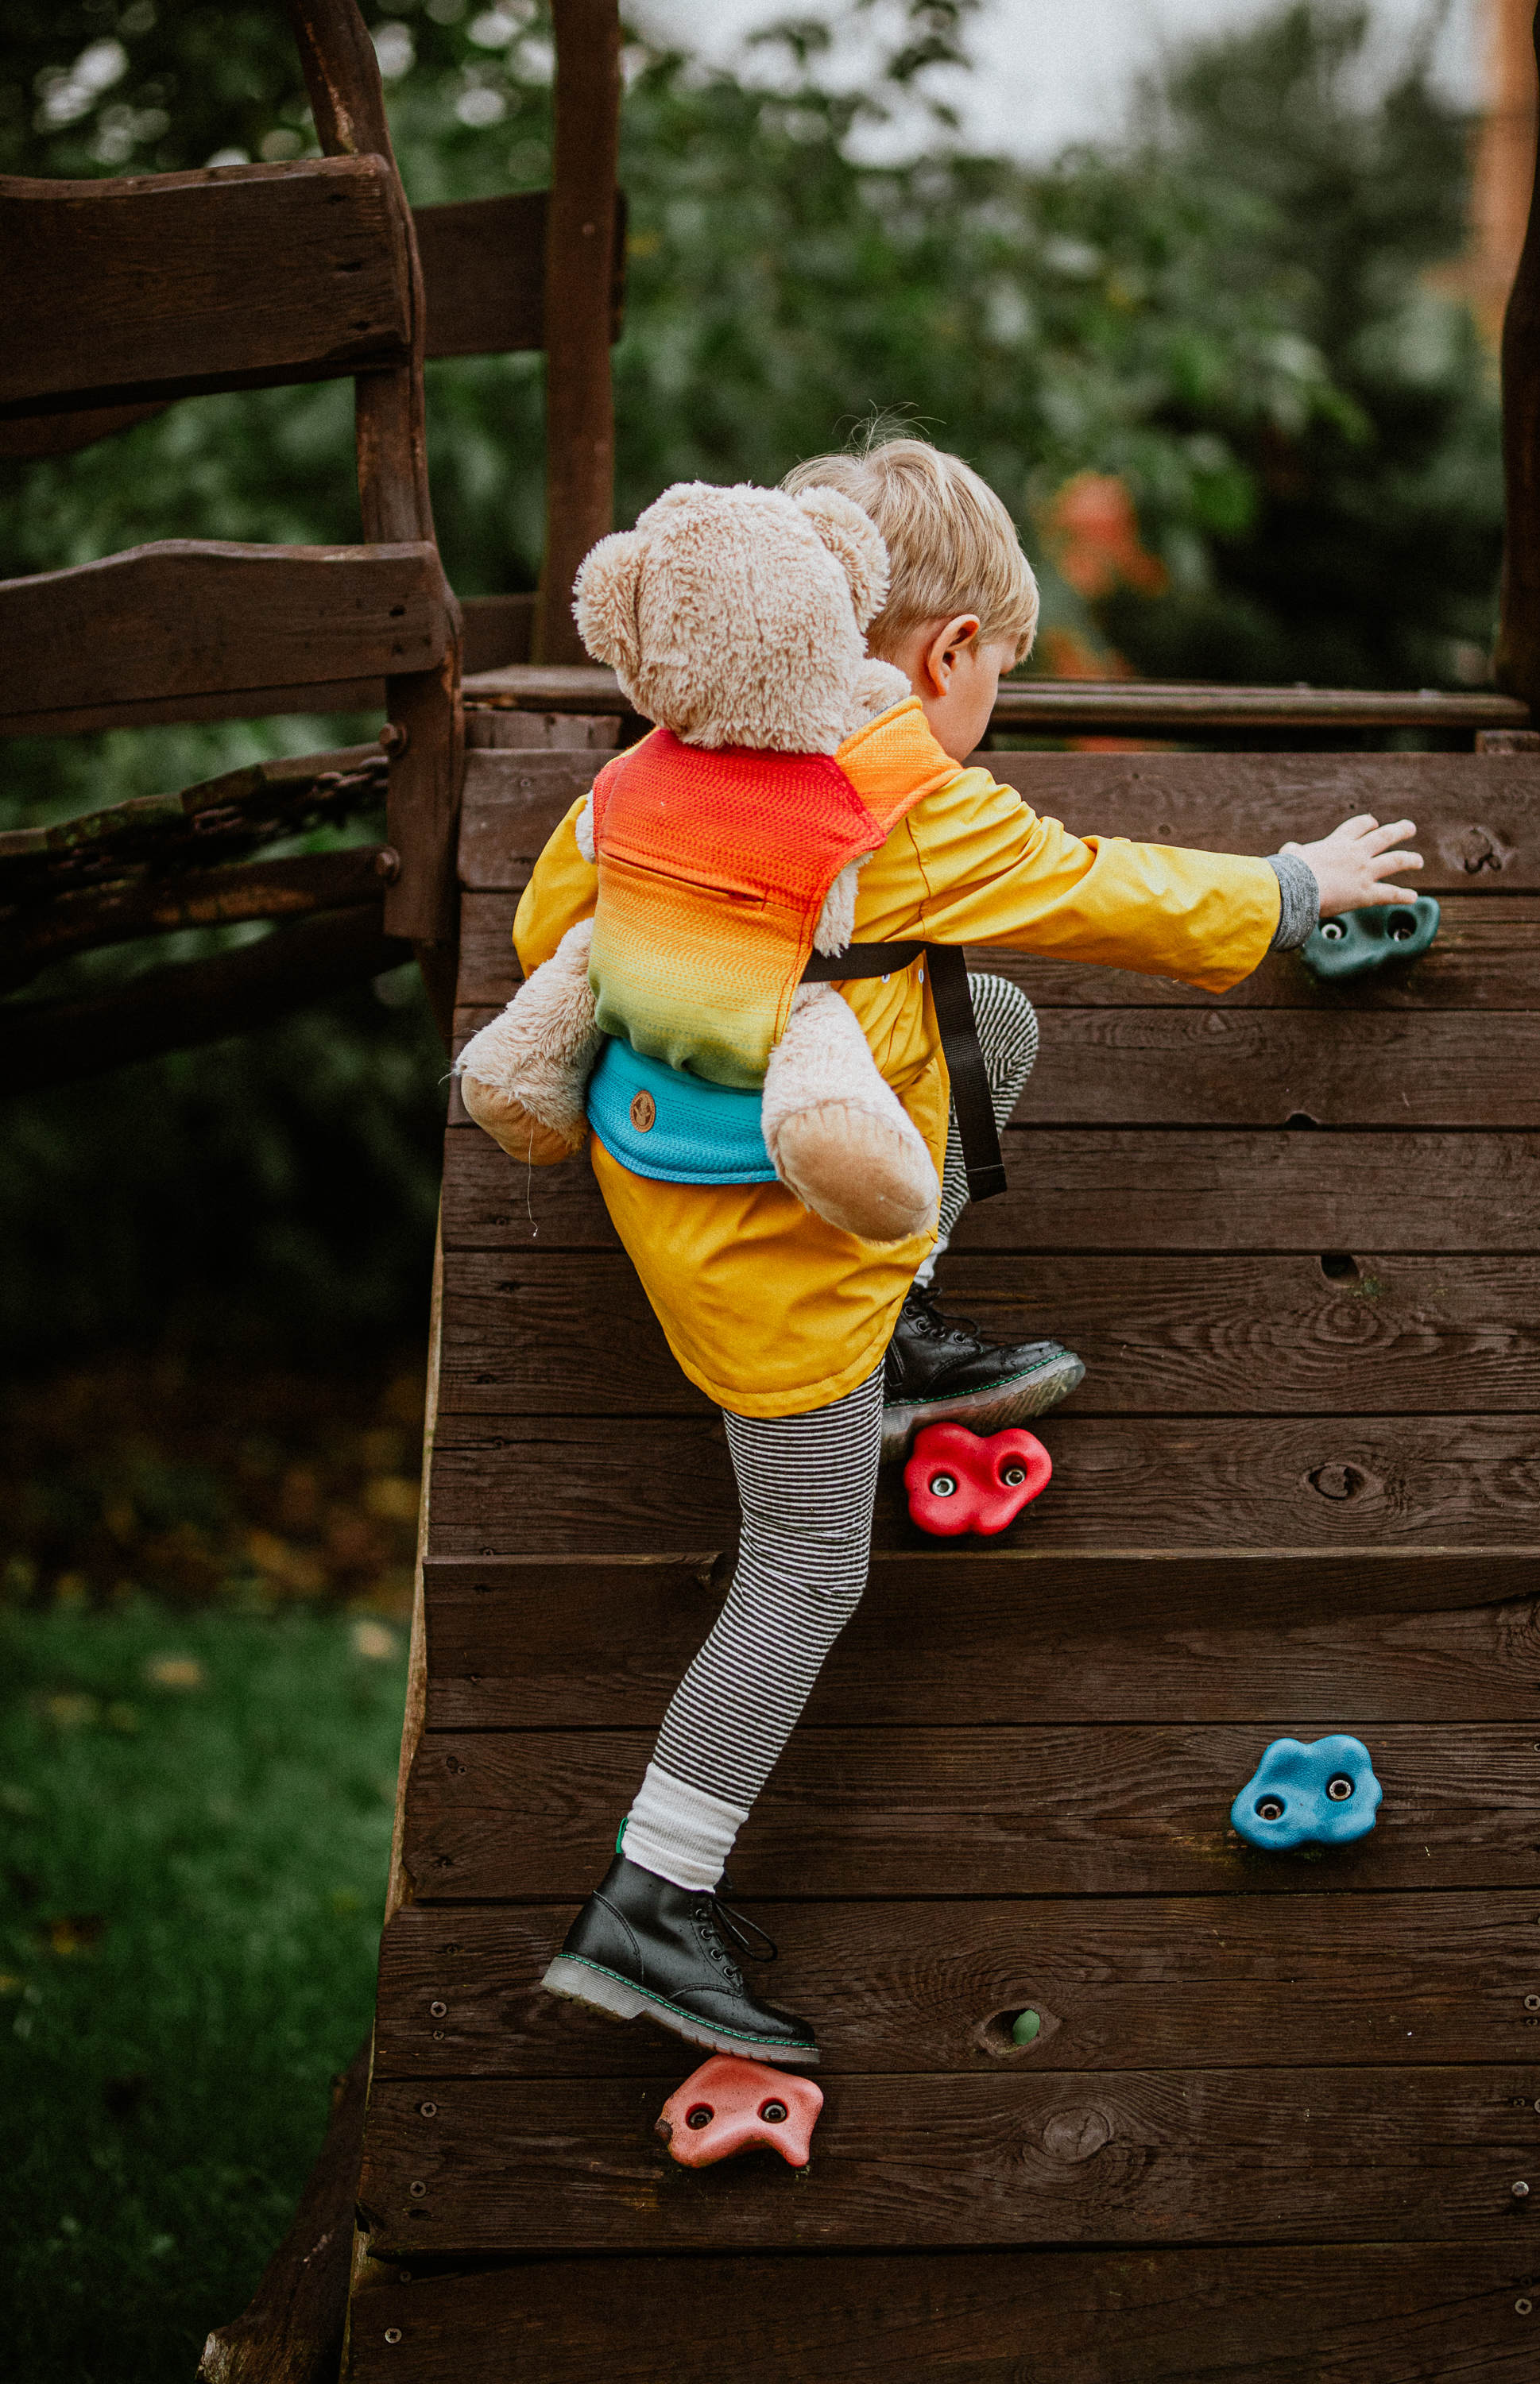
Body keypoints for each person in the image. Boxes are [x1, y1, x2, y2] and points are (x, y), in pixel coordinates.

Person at [532, 435, 1422, 2065]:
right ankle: (649, 1903)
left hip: (663, 1166)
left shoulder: (662, 757)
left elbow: (550, 935)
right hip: (770, 1260)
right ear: (944, 653)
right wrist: (1296, 890)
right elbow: (1102, 889)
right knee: (806, 1565)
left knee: (981, 1017)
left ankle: (906, 1339)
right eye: (997, 675)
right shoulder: (896, 792)